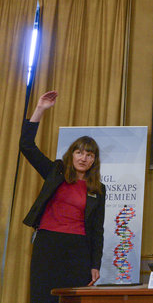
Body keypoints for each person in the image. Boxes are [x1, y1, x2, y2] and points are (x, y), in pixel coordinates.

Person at [19, 91, 106, 303]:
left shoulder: (98, 189)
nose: (83, 158)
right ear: (71, 154)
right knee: (42, 298)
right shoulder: (55, 172)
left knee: (72, 300)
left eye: (89, 155)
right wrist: (40, 109)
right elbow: (27, 146)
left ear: (94, 160)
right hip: (48, 244)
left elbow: (97, 230)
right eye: (79, 153)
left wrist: (95, 265)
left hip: (79, 250)